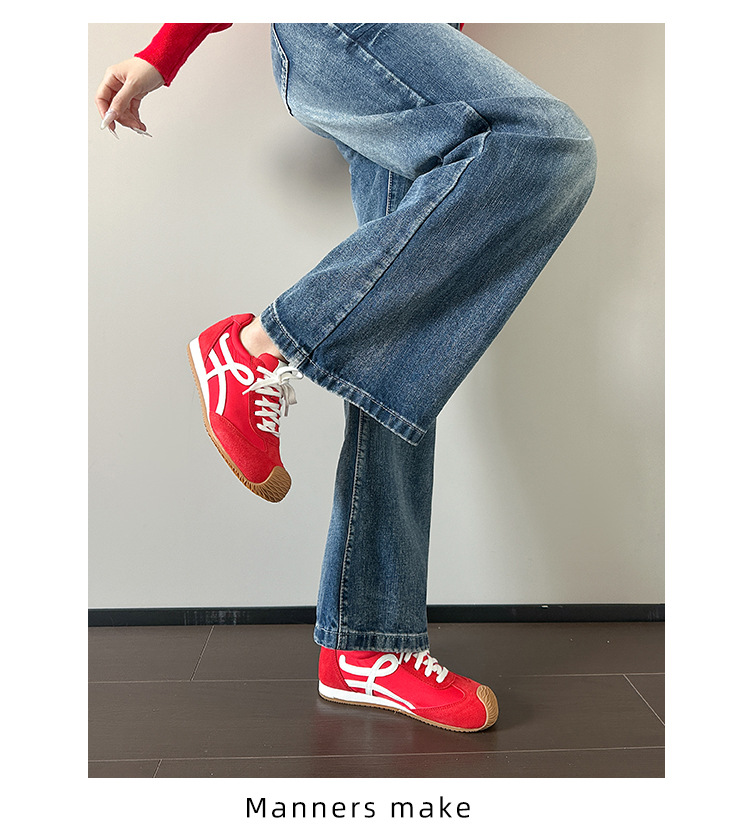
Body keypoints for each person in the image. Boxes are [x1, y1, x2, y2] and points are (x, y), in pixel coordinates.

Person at [95, 23, 596, 733]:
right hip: (348, 28)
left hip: (409, 46)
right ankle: (257, 345)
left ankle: (367, 645)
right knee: (549, 145)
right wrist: (164, 51)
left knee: (399, 350)